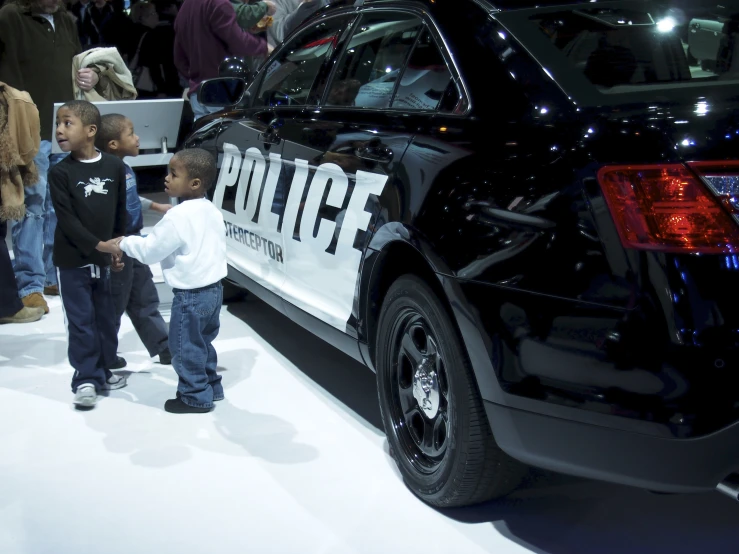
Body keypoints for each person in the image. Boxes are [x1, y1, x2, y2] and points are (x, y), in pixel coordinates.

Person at [105, 149, 227, 414]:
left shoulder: (177, 217)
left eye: (174, 174)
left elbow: (151, 251)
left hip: (191, 296)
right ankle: (212, 387)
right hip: (215, 291)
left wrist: (125, 242)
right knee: (204, 342)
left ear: (194, 183)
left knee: (184, 348)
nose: (167, 178)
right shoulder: (211, 210)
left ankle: (194, 396)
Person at [0, 0, 101, 314]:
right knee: (32, 206)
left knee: (60, 205)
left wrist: (92, 76)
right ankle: (30, 283)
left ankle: (49, 272)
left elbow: (79, 64)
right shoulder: (10, 16)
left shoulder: (66, 19)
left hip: (66, 128)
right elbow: (8, 80)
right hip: (32, 132)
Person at [48, 100, 128, 408]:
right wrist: (100, 246)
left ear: (91, 130)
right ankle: (85, 378)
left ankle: (103, 370)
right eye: (58, 123)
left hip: (105, 259)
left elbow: (121, 210)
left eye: (67, 123)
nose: (59, 130)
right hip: (72, 263)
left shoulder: (114, 166)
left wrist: (118, 246)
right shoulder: (60, 173)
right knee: (81, 321)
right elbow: (67, 221)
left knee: (106, 318)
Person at [95, 113, 172, 367]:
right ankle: (102, 354)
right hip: (117, 248)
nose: (137, 138)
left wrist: (157, 207)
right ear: (113, 144)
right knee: (114, 303)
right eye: (131, 133)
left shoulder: (124, 169)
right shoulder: (103, 173)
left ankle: (163, 345)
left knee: (145, 295)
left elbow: (131, 199)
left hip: (134, 242)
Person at [173, 0, 272, 120]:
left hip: (198, 94)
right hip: (223, 91)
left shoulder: (185, 7)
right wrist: (264, 47)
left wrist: (197, 77)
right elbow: (238, 42)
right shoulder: (218, 3)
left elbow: (179, 59)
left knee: (204, 136)